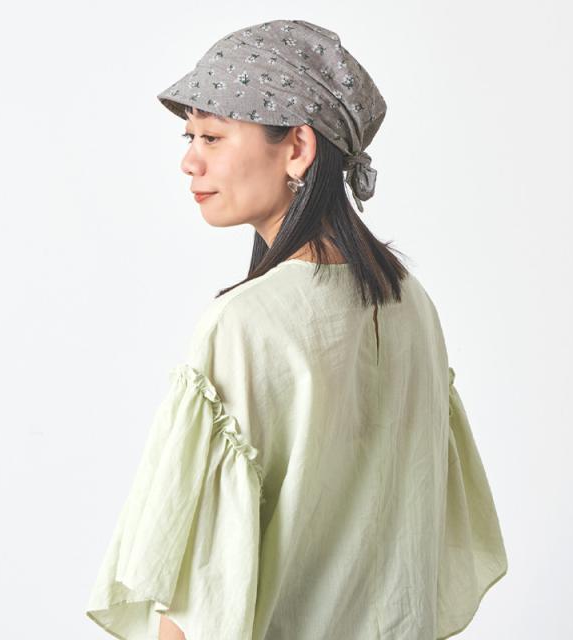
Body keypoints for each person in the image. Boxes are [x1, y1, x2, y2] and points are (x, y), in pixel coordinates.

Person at [85, 19, 508, 640]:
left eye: (212, 136)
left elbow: (198, 592)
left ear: (298, 148)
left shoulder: (243, 325)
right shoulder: (413, 306)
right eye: (189, 135)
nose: (189, 160)